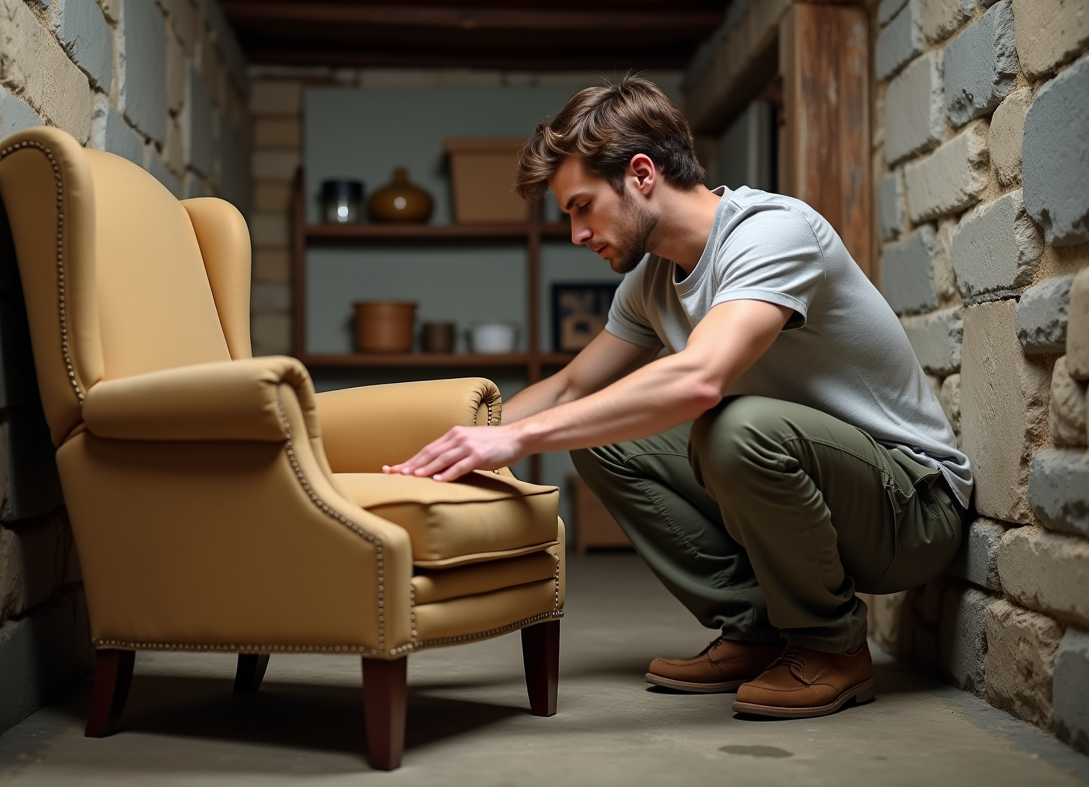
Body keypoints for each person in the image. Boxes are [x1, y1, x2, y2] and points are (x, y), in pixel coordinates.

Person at [384, 76, 970, 720]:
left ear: (641, 174)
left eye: (581, 206)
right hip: (825, 489)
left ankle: (830, 646)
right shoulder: (650, 281)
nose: (576, 234)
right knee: (602, 435)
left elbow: (699, 378)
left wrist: (518, 440)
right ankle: (758, 628)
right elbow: (572, 387)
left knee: (734, 426)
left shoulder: (771, 232)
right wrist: (449, 445)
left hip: (914, 505)